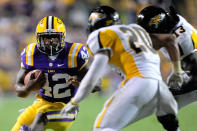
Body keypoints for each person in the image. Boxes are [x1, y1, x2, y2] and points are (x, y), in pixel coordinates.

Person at [61, 5, 181, 131]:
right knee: (170, 123)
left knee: (102, 128)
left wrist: (75, 101)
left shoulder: (101, 34)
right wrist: (177, 72)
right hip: (159, 85)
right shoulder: (136, 29)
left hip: (139, 82)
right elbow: (170, 39)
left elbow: (94, 73)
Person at [12, 16, 91, 131]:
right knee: (17, 126)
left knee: (40, 118)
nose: (50, 42)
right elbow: (19, 90)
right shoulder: (31, 54)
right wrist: (27, 88)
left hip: (67, 108)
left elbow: (96, 84)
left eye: (54, 38)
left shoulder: (75, 53)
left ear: (62, 37)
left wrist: (82, 81)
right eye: (46, 38)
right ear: (38, 38)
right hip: (42, 103)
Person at [137, 5, 197, 109]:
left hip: (194, 75)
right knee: (165, 107)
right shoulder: (172, 22)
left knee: (164, 105)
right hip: (190, 71)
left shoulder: (182, 39)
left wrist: (174, 89)